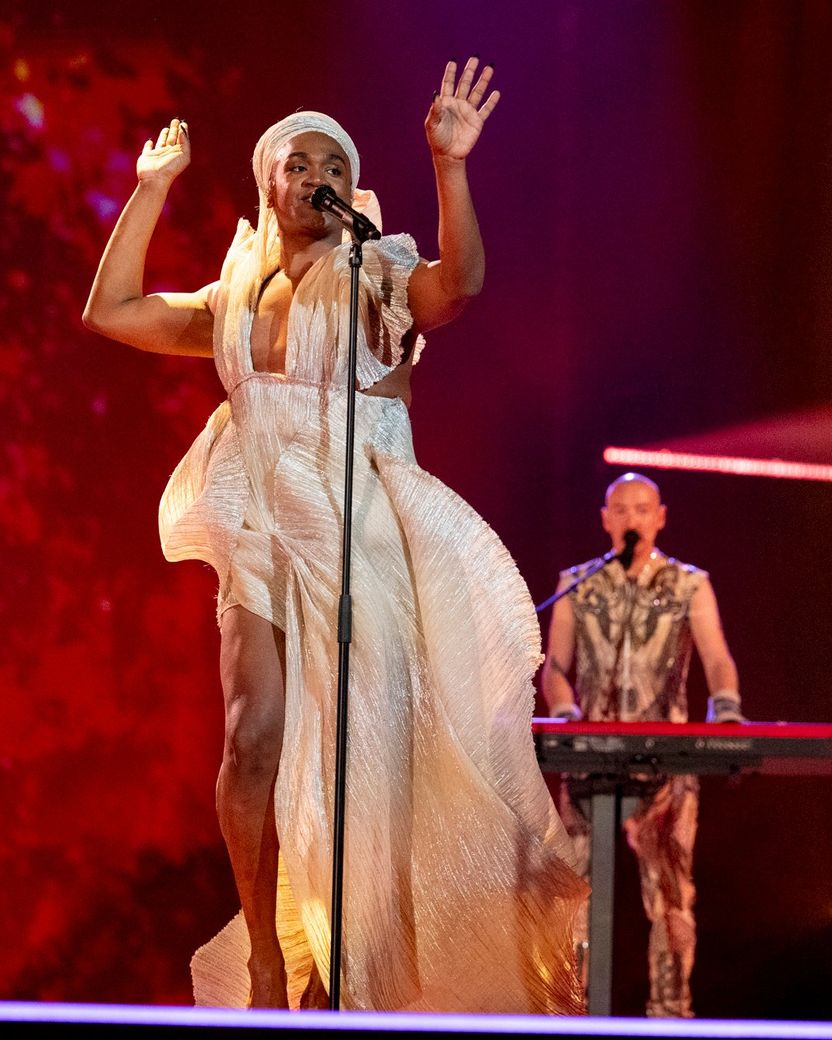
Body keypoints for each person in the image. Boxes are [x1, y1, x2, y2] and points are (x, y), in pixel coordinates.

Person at [83, 58, 588, 1014]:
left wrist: (450, 167)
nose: (314, 171)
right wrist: (150, 191)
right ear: (268, 178)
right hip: (260, 522)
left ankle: (376, 971)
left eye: (333, 160)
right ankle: (271, 962)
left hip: (361, 532)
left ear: (349, 185)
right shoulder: (232, 297)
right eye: (297, 158)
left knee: (381, 760)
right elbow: (111, 312)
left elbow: (460, 289)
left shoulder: (376, 269)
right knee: (252, 735)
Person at [541, 471, 745, 1019]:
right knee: (575, 896)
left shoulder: (689, 584)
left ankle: (672, 1014)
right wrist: (565, 714)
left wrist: (725, 707)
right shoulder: (576, 584)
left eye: (643, 508)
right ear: (606, 519)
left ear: (661, 516)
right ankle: (573, 1016)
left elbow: (717, 656)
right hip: (589, 763)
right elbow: (555, 666)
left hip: (666, 763)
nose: (632, 518)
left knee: (673, 896)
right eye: (621, 509)